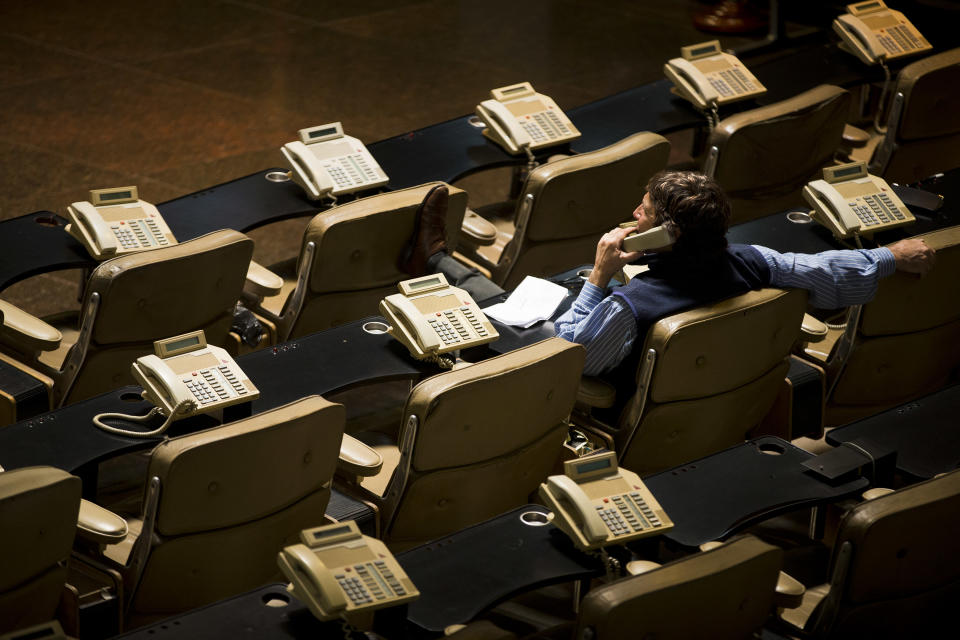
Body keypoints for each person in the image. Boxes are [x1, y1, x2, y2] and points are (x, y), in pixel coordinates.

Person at [400, 173, 936, 376]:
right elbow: (821, 271)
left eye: (644, 214)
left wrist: (600, 278)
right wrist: (891, 256)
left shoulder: (630, 307)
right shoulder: (751, 259)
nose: (634, 216)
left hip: (592, 363)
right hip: (706, 377)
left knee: (493, 309)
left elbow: (574, 359)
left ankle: (432, 262)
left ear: (667, 236)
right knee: (541, 291)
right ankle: (438, 259)